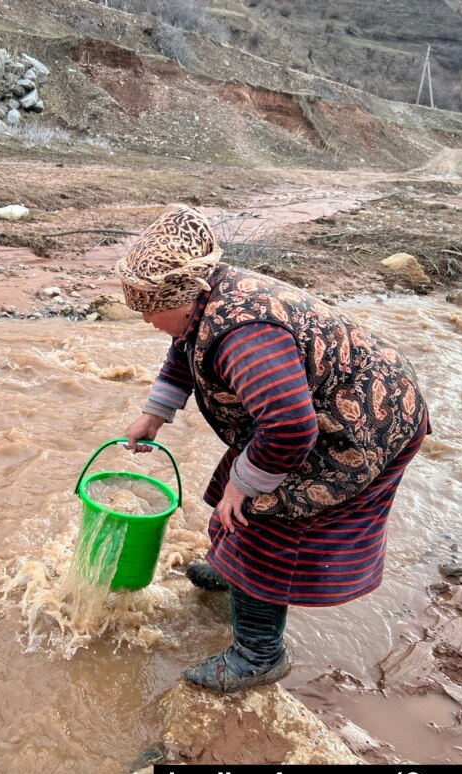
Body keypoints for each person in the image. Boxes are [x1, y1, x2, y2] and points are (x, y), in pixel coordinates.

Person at [118, 205, 429, 693]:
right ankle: (233, 574)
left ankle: (259, 654)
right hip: (327, 407)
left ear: (184, 296)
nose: (145, 319)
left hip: (362, 424)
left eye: (149, 310)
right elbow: (185, 347)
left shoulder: (244, 335)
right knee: (242, 491)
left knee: (260, 520)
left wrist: (245, 486)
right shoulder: (205, 298)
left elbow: (288, 429)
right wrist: (155, 413)